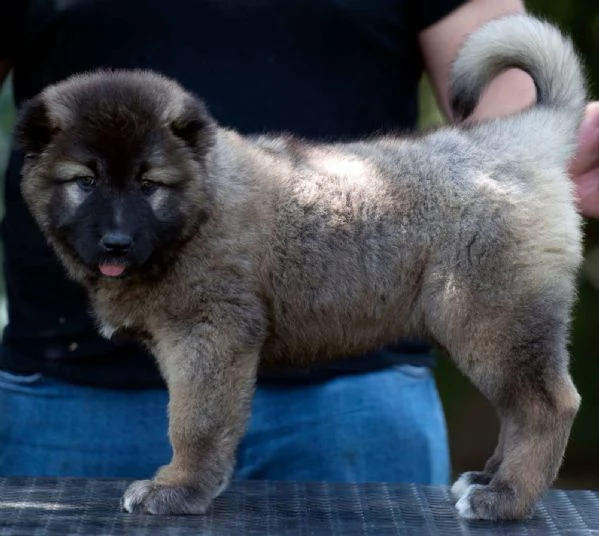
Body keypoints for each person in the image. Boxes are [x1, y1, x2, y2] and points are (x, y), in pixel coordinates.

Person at [0, 0, 597, 484]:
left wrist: (532, 155)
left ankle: (525, 464)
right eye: (82, 184)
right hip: (66, 395)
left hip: (356, 399)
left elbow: (497, 82)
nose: (117, 225)